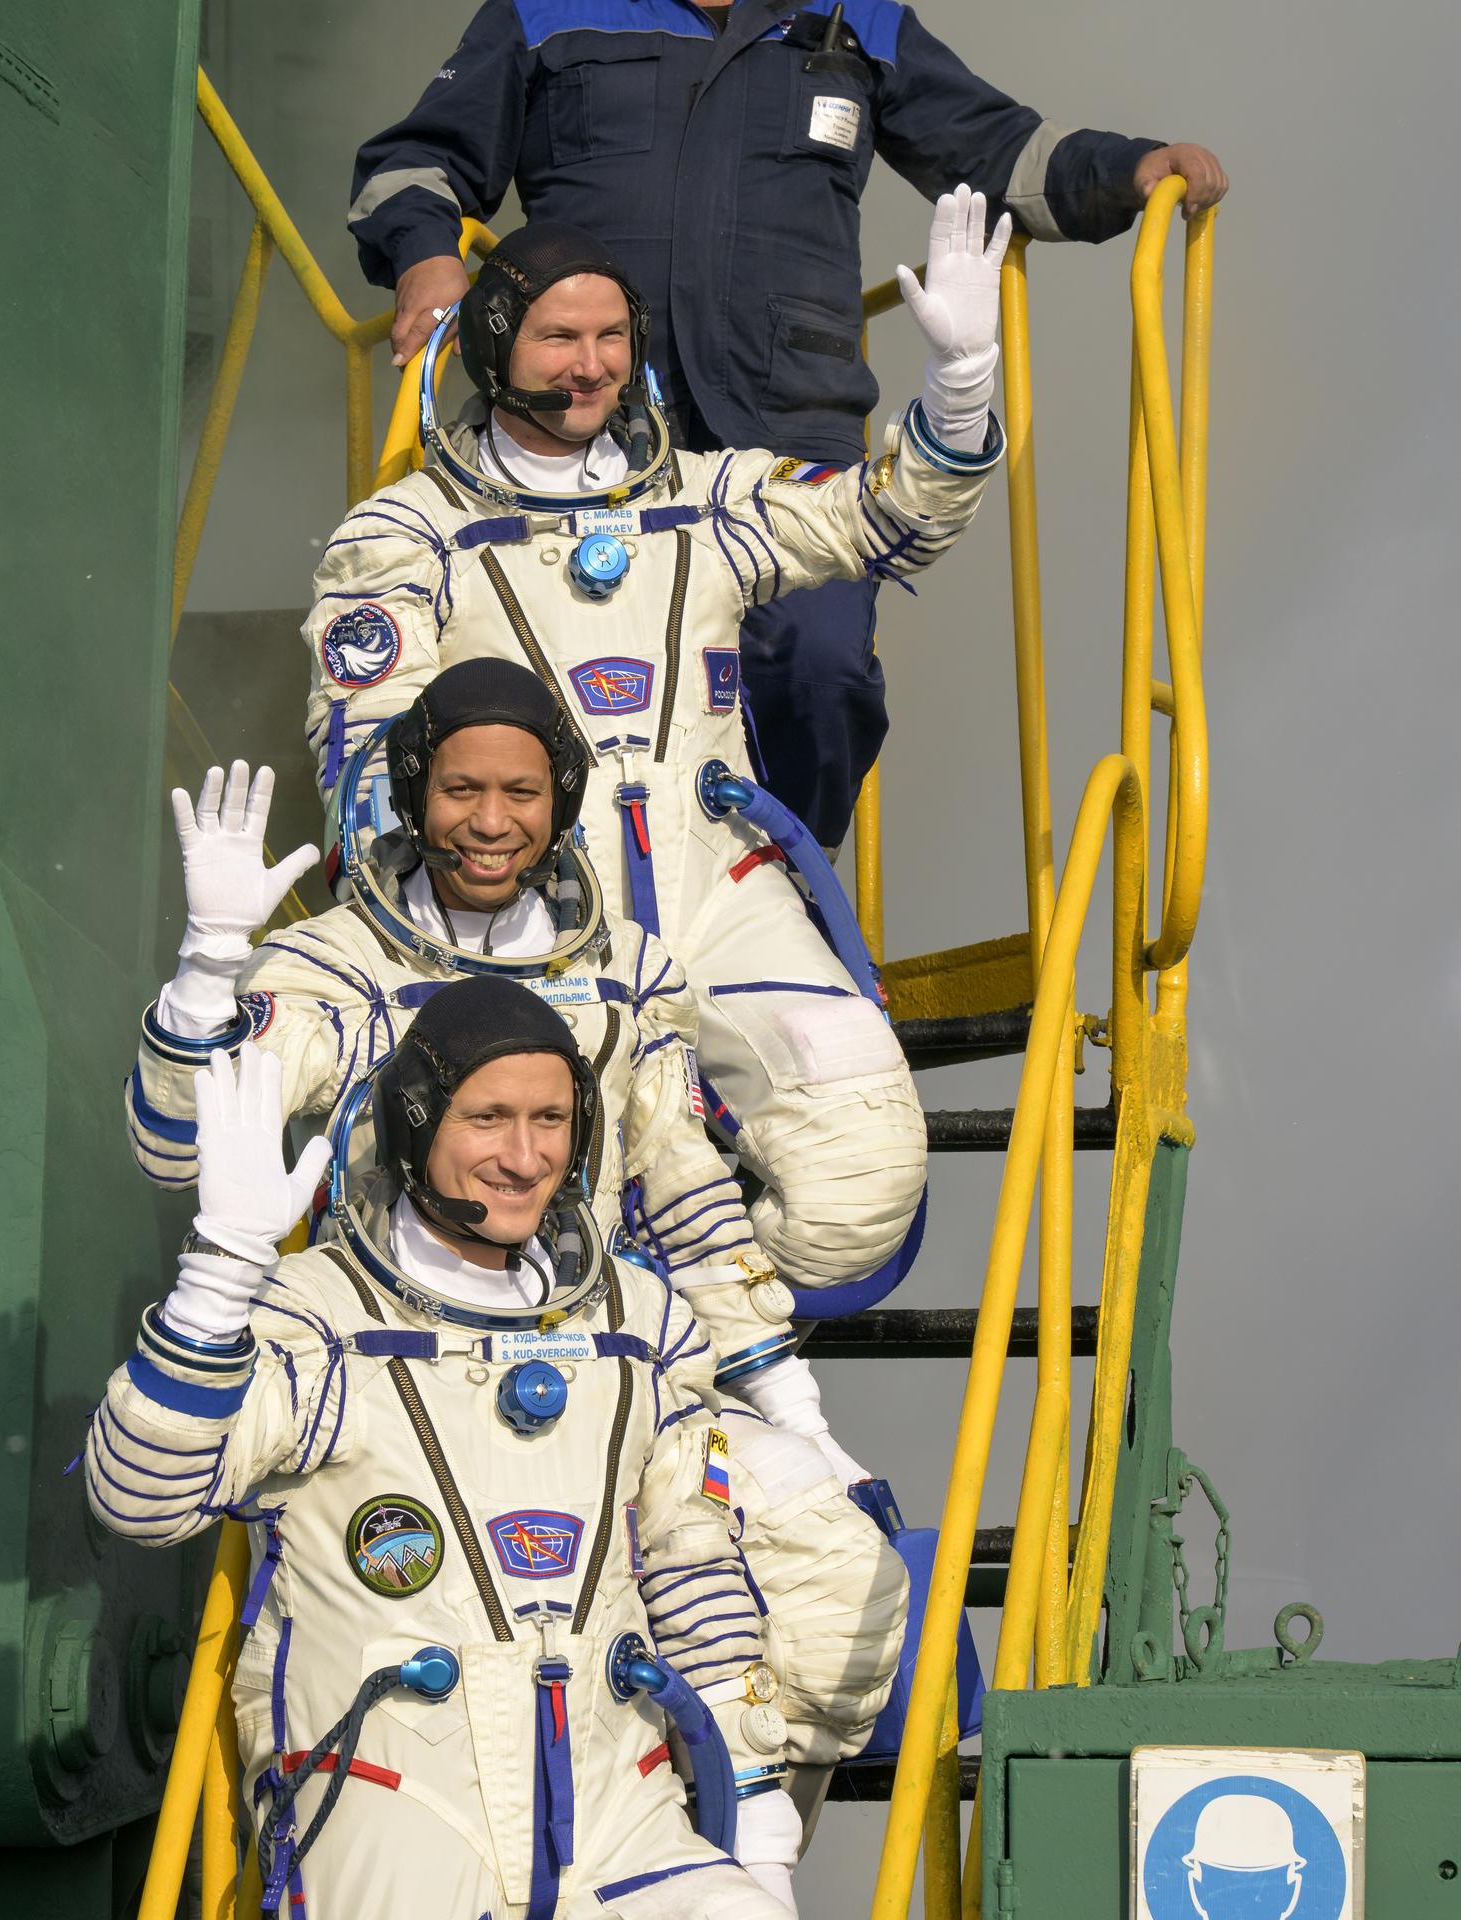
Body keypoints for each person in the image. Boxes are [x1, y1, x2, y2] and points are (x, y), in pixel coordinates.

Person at [127, 658, 910, 1806]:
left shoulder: (628, 976)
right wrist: (205, 976)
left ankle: (747, 1841)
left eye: (521, 794)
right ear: (409, 791)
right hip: (388, 1375)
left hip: (597, 1361)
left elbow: (686, 1196)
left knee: (826, 1557)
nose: (488, 824)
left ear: (561, 800)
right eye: (457, 791)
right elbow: (174, 1146)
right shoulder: (335, 968)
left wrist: (792, 1410)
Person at [300, 188, 1003, 1297]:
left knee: (861, 1180)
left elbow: (887, 518)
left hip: (717, 891)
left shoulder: (709, 500)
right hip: (526, 922)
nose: (590, 367)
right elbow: (369, 768)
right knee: (510, 1206)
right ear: (495, 344)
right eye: (559, 337)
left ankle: (704, 1337)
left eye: (611, 338)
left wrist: (958, 389)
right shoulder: (407, 537)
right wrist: (462, 925)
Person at [348, 0, 1228, 847]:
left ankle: (786, 895)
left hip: (785, 429)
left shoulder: (858, 22)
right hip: (586, 427)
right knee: (552, 670)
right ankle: (551, 917)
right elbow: (418, 158)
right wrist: (426, 257)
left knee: (818, 668)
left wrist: (1130, 170)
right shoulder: (548, 11)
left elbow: (1002, 153)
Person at [91, 983, 813, 1915]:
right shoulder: (318, 1317)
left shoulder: (641, 1325)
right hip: (395, 1808)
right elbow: (138, 1498)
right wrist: (223, 1266)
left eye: (551, 1118)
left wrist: (755, 1821)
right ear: (415, 1125)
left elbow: (693, 1569)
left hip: (618, 1813)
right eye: (488, 1118)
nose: (524, 1157)